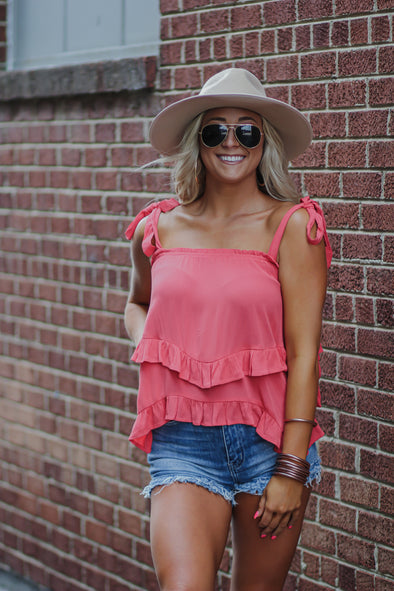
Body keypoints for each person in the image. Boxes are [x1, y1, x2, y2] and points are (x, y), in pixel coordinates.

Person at [124, 68, 332, 591]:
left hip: (269, 442)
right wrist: (158, 349)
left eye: (247, 129)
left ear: (266, 142)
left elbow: (304, 353)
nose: (231, 142)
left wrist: (290, 468)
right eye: (216, 130)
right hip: (183, 442)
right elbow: (136, 305)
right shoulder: (158, 227)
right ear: (199, 141)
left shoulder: (292, 227)